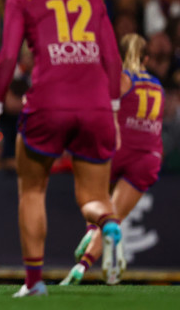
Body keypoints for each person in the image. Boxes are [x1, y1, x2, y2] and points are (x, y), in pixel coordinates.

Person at [0, 0, 124, 297]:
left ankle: (33, 283)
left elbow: (9, 56)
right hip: (95, 106)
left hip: (49, 103)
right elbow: (112, 59)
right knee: (92, 197)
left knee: (32, 190)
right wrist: (112, 111)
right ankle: (107, 221)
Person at [60, 33, 163, 285]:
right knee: (114, 214)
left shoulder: (122, 80)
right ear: (146, 58)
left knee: (92, 193)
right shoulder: (158, 85)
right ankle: (82, 268)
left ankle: (91, 229)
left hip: (119, 150)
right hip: (149, 156)